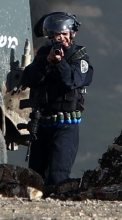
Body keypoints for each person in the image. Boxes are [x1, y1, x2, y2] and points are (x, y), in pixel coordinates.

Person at [23, 12, 93, 190]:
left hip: (65, 126)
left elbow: (71, 81)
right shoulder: (45, 55)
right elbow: (28, 79)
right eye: (56, 35)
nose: (60, 38)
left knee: (57, 176)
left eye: (64, 34)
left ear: (72, 34)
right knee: (35, 177)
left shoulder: (79, 58)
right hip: (43, 124)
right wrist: (46, 62)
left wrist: (59, 63)